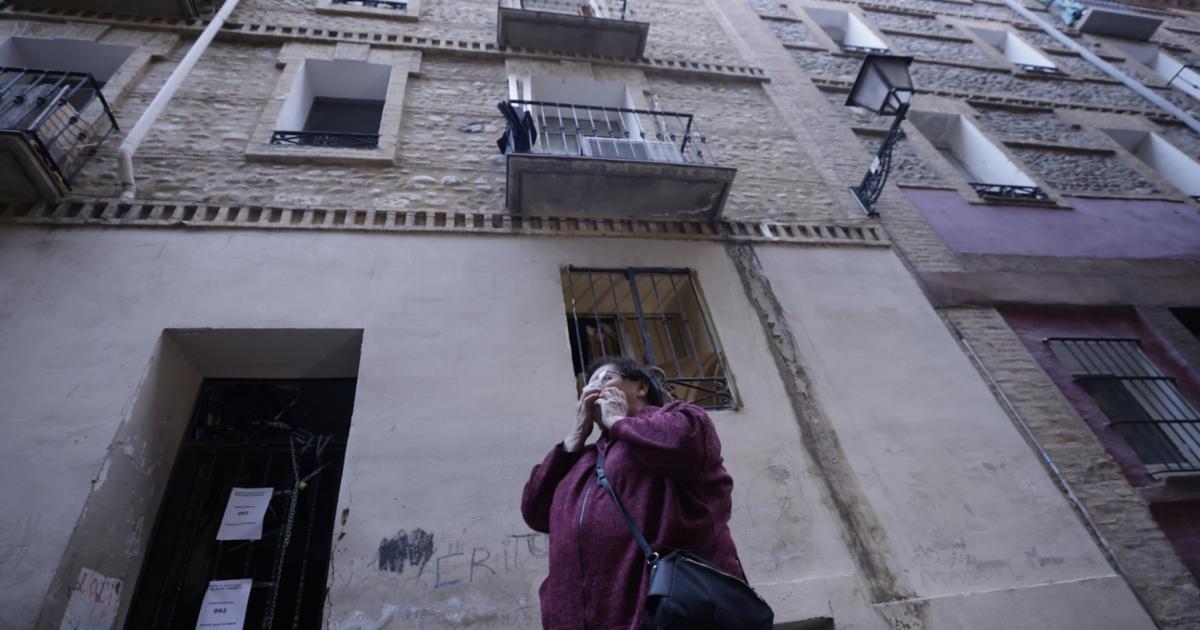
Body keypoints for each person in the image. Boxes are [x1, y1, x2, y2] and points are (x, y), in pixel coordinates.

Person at [520, 357, 743, 629]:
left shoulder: (678, 419)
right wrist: (576, 435)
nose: (595, 388)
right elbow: (534, 511)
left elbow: (684, 444)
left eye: (606, 379)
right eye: (590, 384)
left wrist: (617, 420)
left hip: (664, 611)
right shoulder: (580, 460)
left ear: (641, 387)